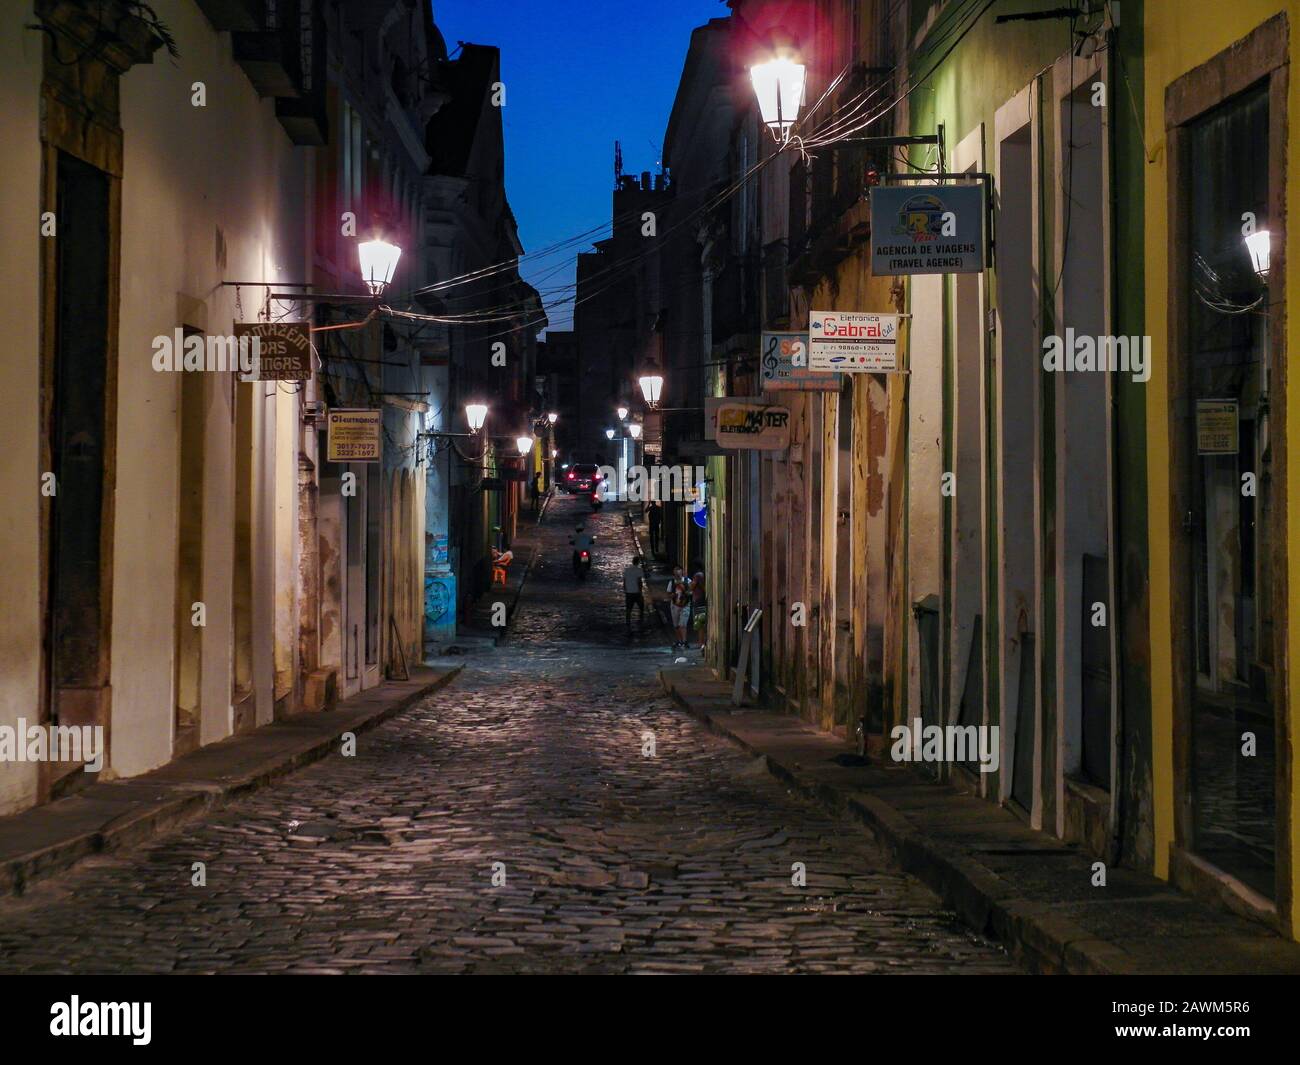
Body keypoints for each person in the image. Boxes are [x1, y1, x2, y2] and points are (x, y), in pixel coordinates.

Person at [622, 555, 645, 632]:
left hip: (629, 592)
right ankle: (640, 620)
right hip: (636, 592)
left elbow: (624, 581)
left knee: (628, 609)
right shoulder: (639, 570)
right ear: (638, 562)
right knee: (641, 607)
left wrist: (625, 589)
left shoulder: (627, 570)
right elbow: (639, 581)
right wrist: (640, 591)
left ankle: (627, 622)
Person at [669, 574, 691, 650]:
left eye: (679, 570)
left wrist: (684, 590)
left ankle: (684, 641)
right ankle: (680, 641)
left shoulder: (687, 581)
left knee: (682, 624)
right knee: (676, 625)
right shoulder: (671, 582)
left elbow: (690, 592)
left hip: (685, 606)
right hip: (675, 606)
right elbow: (669, 594)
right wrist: (673, 595)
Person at [688, 571, 706, 650]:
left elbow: (691, 587)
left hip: (698, 603)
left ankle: (701, 642)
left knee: (700, 624)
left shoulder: (698, 576)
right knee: (702, 624)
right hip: (701, 602)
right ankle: (701, 642)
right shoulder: (703, 580)